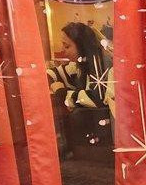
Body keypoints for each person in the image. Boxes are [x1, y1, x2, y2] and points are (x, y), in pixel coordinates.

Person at [47, 22, 115, 156]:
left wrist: (62, 93)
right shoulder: (82, 63)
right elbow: (58, 72)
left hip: (102, 140)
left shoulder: (99, 64)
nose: (63, 49)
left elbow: (95, 99)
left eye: (67, 46)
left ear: (82, 46)